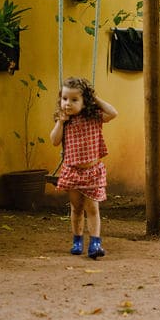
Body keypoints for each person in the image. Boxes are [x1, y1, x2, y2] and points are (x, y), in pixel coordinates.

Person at [49, 76, 118, 259]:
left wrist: (94, 98)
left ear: (84, 101)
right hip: (72, 171)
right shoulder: (65, 121)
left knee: (92, 208)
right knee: (76, 208)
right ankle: (77, 239)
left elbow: (113, 113)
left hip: (92, 171)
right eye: (64, 99)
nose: (68, 104)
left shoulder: (94, 117)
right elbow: (54, 141)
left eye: (74, 100)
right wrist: (60, 122)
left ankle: (95, 242)